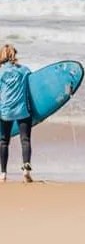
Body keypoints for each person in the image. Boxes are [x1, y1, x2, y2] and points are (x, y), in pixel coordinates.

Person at [0, 44, 33, 183]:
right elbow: (33, 86)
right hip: (22, 110)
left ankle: (3, 174)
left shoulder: (0, 72)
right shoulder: (24, 70)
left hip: (5, 111)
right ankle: (26, 170)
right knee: (25, 140)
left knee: (3, 142)